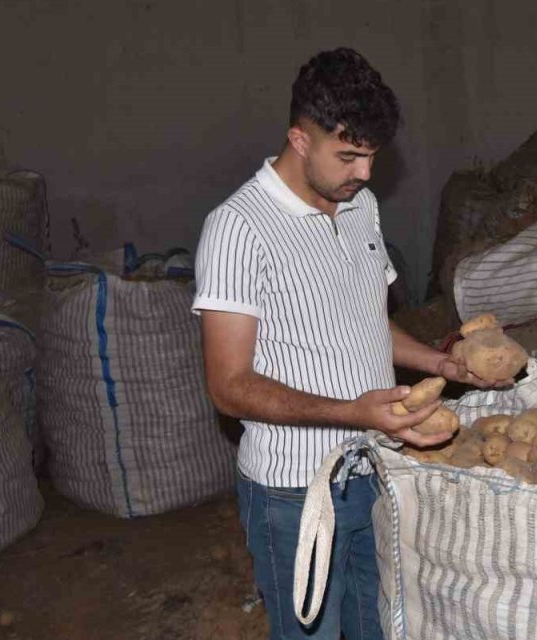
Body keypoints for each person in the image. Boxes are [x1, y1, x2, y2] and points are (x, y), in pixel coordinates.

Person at [191, 48, 505, 640]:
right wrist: (350, 413)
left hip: (372, 470)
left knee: (377, 625)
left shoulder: (361, 207)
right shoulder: (238, 228)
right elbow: (228, 387)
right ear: (299, 138)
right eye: (349, 156)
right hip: (293, 493)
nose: (364, 173)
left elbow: (368, 324)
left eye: (372, 158)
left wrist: (442, 363)